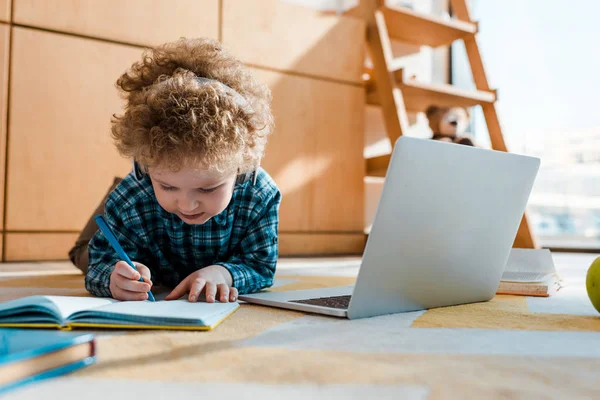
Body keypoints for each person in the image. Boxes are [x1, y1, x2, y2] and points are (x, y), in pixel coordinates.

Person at [70, 37, 280, 304]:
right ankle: (123, 187)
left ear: (243, 170)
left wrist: (224, 274)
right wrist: (114, 277)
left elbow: (261, 265)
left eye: (207, 188)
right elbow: (100, 263)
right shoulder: (132, 197)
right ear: (144, 169)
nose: (188, 204)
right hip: (138, 203)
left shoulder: (260, 194)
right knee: (83, 254)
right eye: (169, 186)